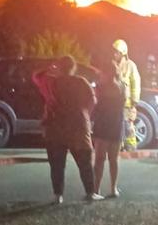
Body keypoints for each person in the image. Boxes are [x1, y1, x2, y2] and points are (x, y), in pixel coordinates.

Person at [32, 55, 104, 203]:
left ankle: (58, 195)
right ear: (73, 67)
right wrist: (85, 114)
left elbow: (36, 76)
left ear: (59, 67)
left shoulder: (50, 82)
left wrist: (50, 67)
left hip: (55, 127)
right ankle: (90, 192)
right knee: (84, 160)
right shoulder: (81, 82)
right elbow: (93, 100)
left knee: (57, 163)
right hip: (78, 126)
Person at [92, 61, 126, 198]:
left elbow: (96, 106)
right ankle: (113, 189)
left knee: (99, 159)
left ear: (106, 73)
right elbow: (123, 104)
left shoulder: (100, 88)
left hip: (103, 125)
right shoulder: (122, 87)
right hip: (116, 124)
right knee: (114, 159)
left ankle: (96, 189)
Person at [112, 39, 141, 151]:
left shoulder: (130, 66)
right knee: (117, 127)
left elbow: (135, 83)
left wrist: (134, 101)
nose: (114, 54)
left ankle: (131, 148)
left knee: (128, 127)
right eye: (114, 51)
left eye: (117, 52)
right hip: (114, 104)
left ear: (122, 52)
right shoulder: (112, 65)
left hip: (127, 104)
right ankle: (119, 147)